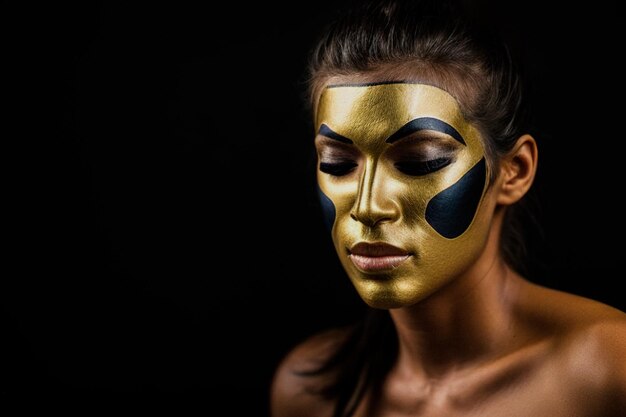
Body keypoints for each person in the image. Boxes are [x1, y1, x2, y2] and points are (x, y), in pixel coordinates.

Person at [269, 0, 626, 416]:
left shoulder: (607, 368)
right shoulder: (313, 392)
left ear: (514, 171)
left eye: (419, 162)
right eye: (338, 164)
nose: (368, 207)